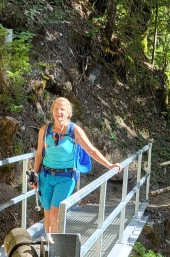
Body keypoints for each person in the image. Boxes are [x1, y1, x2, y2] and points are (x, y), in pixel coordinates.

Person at [32, 97, 122, 238]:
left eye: (62, 109)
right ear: (52, 111)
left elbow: (91, 150)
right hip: (45, 176)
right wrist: (34, 175)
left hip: (66, 178)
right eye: (56, 108)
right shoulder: (45, 130)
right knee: (48, 214)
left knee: (55, 214)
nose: (59, 112)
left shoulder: (74, 131)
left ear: (68, 113)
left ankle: (56, 253)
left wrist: (109, 164)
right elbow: (39, 155)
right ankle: (49, 247)